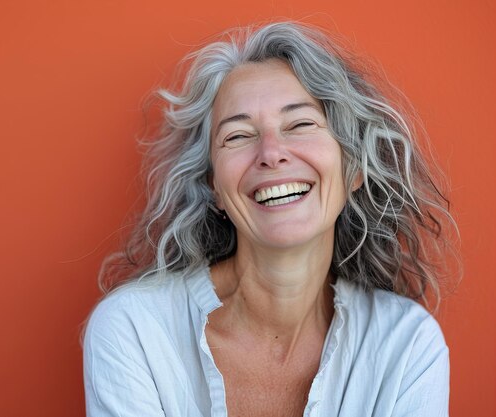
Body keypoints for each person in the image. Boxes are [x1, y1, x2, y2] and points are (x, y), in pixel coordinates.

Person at [83, 21, 458, 417]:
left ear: (354, 168)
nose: (271, 153)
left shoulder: (408, 347)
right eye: (238, 136)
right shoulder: (136, 332)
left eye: (300, 124)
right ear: (214, 187)